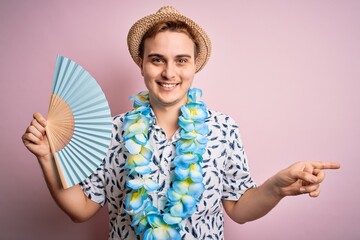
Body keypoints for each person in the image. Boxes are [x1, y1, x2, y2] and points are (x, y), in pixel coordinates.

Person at [22, 6, 340, 240]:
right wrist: (48, 158)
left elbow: (239, 209)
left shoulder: (223, 129)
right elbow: (81, 210)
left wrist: (277, 187)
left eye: (181, 60)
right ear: (142, 65)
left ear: (194, 66)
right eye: (157, 59)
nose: (169, 73)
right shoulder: (113, 131)